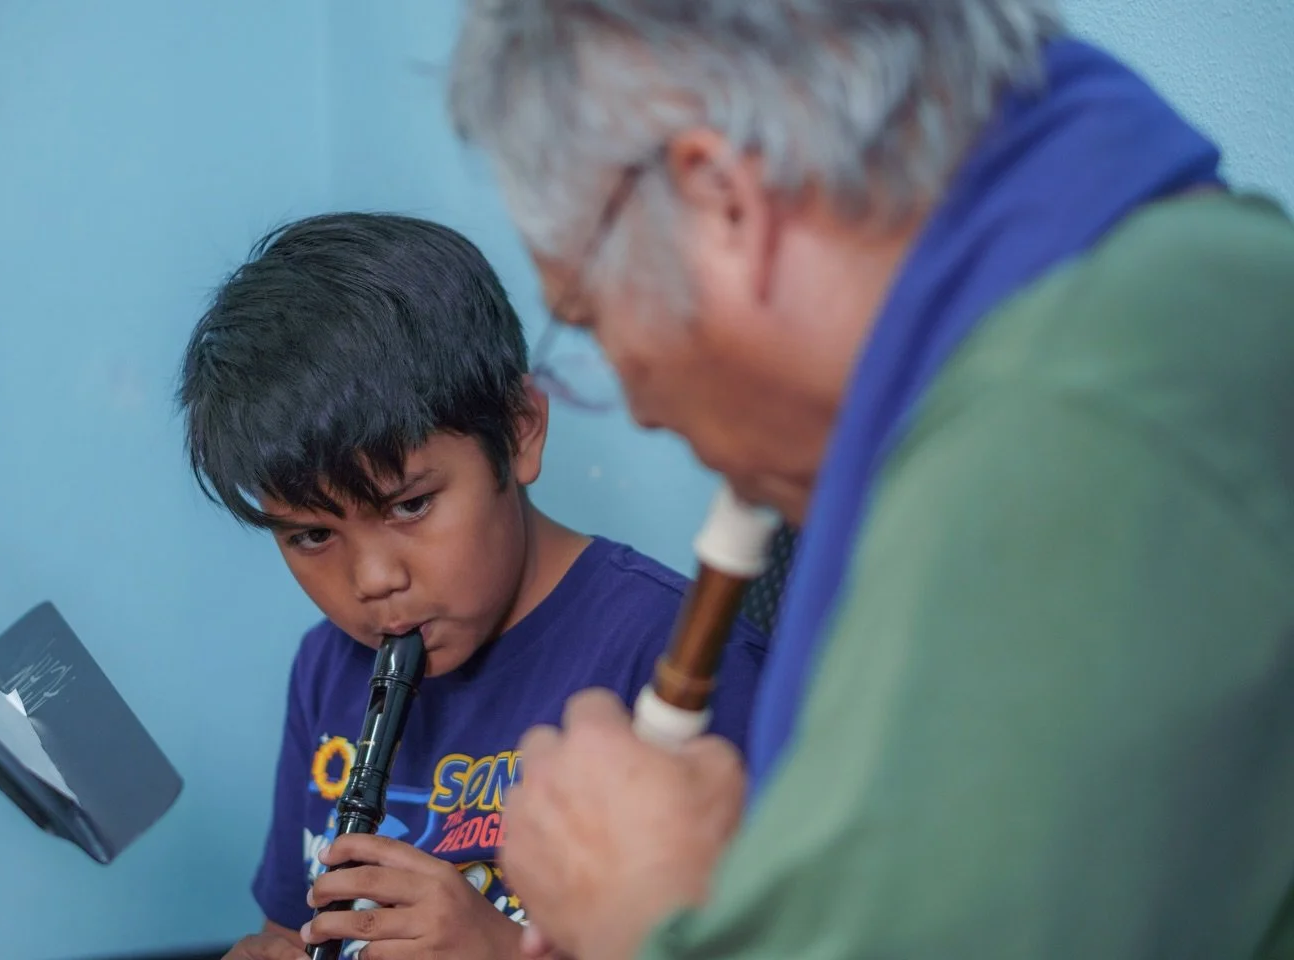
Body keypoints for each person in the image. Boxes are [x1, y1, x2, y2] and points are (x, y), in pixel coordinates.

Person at [445, 1, 1294, 958]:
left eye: (590, 318)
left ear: (722, 200)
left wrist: (640, 917)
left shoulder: (1059, 435)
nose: (638, 410)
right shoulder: (1169, 278)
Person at [176, 213, 768, 959]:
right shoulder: (326, 669)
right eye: (312, 536)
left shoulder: (679, 658)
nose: (374, 580)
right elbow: (293, 929)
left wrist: (499, 950)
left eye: (411, 505)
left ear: (519, 432)